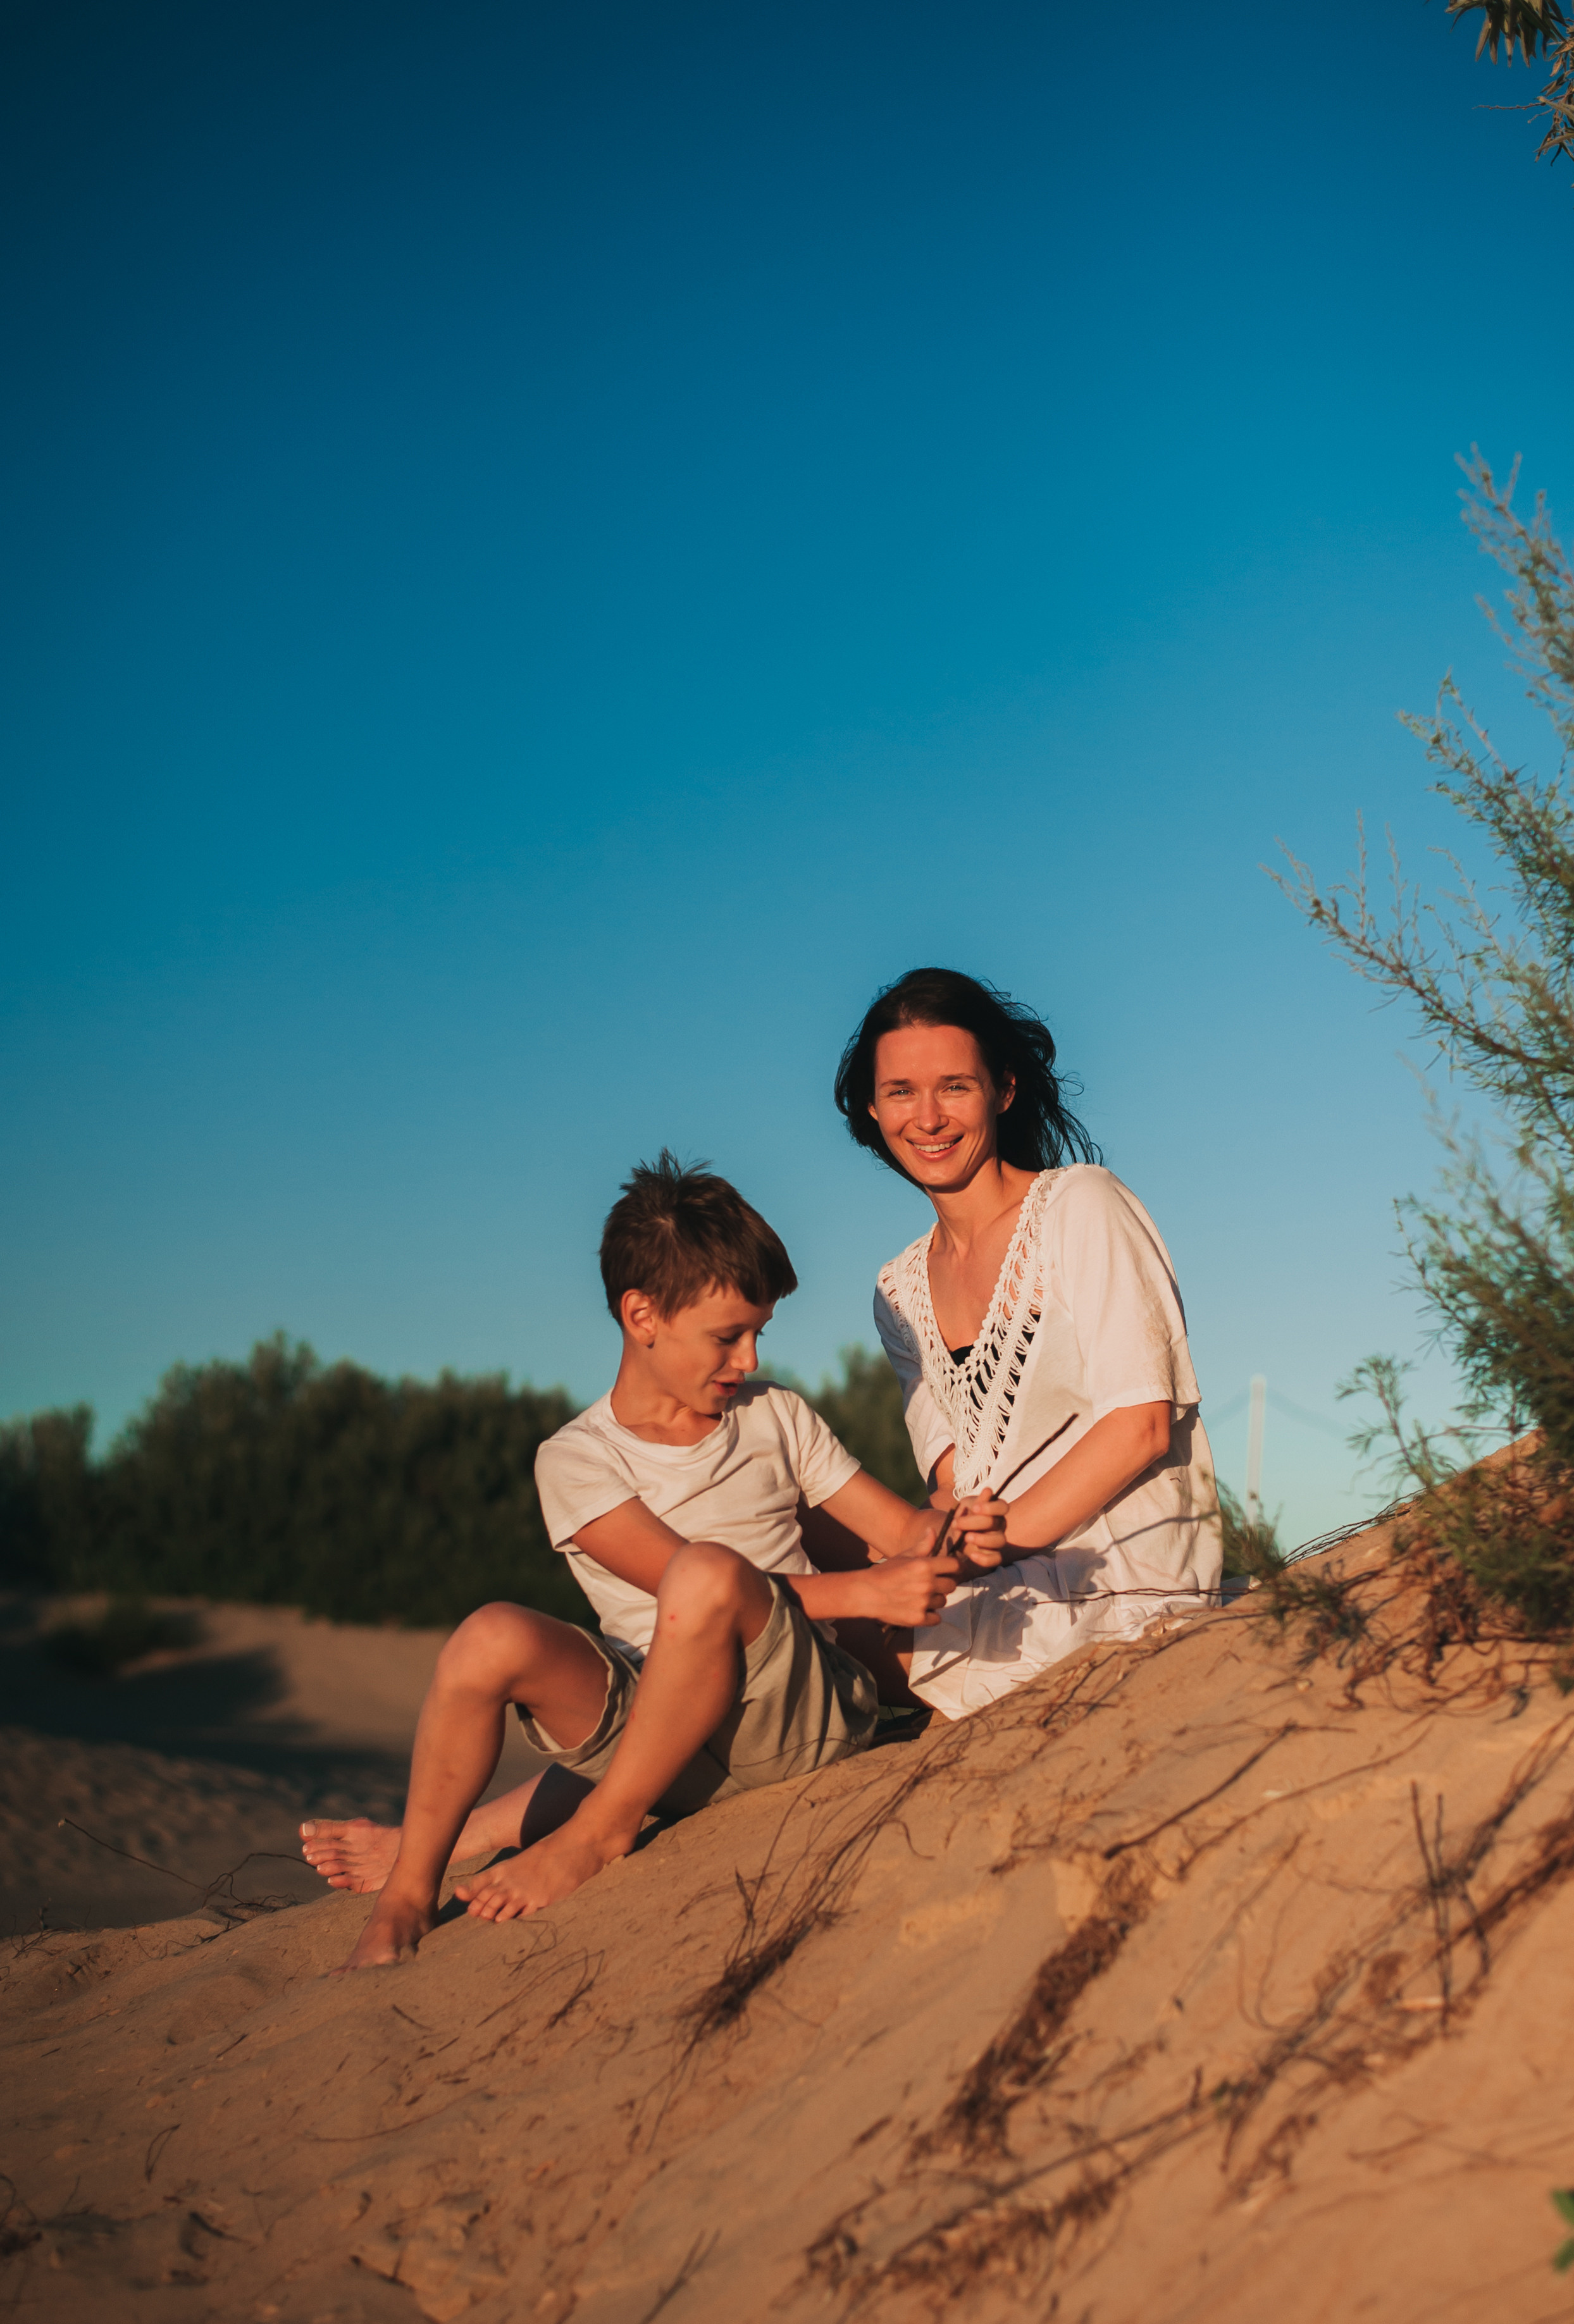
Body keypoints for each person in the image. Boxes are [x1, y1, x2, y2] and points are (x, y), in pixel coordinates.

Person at [308, 1153, 1005, 1969]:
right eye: (726, 1335)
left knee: (711, 1576)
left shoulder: (774, 1415)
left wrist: (949, 1530)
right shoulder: (575, 1458)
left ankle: (600, 1833)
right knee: (490, 1632)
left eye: (758, 1334)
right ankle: (406, 1891)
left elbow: (896, 1527)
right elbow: (678, 1579)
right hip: (658, 1743)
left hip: (790, 1719)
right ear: (642, 1313)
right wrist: (869, 1587)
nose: (747, 1360)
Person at [834, 967, 1223, 1721]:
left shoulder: (1081, 1205)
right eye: (900, 1092)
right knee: (791, 1581)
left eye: (954, 1085)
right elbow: (955, 1476)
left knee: (818, 1644)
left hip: (1118, 1571)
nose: (928, 1117)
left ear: (1002, 1090)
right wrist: (924, 1548)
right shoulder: (898, 1287)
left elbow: (1141, 1421)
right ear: (872, 1109)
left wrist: (1008, 1533)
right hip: (995, 1575)